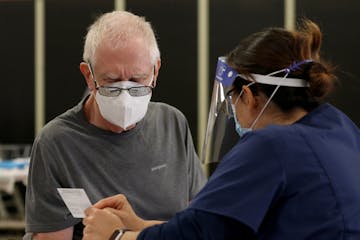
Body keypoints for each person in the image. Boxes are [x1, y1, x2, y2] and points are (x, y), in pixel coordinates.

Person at [82, 19, 360, 239]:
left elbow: (197, 235)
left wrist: (116, 236)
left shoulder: (272, 145)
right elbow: (217, 225)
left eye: (232, 100)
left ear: (250, 97)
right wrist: (140, 225)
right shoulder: (339, 126)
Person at [24, 10, 206, 240]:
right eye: (111, 82)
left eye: (137, 80)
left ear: (155, 71)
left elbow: (202, 226)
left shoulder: (172, 124)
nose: (125, 96)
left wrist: (123, 234)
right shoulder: (57, 144)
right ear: (88, 76)